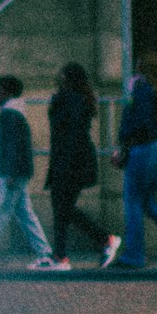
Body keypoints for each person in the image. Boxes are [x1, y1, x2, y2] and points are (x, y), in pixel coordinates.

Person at [0, 75, 56, 271]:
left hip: (10, 173)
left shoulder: (9, 114)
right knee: (25, 215)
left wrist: (12, 173)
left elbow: (12, 146)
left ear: (7, 92)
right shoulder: (16, 113)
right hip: (17, 172)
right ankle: (45, 254)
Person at [105, 57, 157, 271]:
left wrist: (124, 146)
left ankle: (134, 255)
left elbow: (136, 122)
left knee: (133, 202)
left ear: (141, 68)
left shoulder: (140, 88)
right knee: (148, 203)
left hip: (143, 149)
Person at [44, 62, 108, 268]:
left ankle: (101, 241)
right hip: (73, 160)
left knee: (62, 208)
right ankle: (62, 255)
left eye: (62, 76)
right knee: (63, 209)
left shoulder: (68, 100)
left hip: (69, 161)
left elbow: (69, 135)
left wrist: (63, 165)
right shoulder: (80, 99)